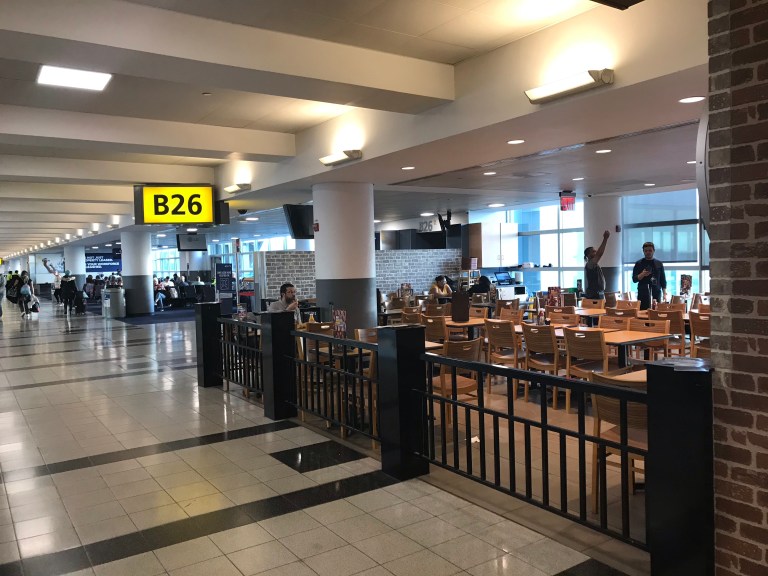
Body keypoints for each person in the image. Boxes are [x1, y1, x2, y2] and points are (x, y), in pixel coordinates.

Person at [632, 241, 667, 310]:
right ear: (643, 251)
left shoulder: (659, 263)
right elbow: (634, 279)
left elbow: (663, 280)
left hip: (656, 293)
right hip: (643, 294)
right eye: (646, 251)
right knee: (642, 313)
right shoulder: (638, 263)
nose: (648, 252)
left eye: (650, 250)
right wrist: (642, 274)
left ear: (654, 251)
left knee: (656, 313)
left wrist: (664, 294)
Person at [583, 230, 611, 300]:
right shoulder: (590, 264)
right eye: (593, 251)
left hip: (598, 294)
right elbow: (599, 254)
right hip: (594, 295)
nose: (595, 252)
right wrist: (605, 239)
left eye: (595, 251)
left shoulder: (594, 264)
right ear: (588, 255)